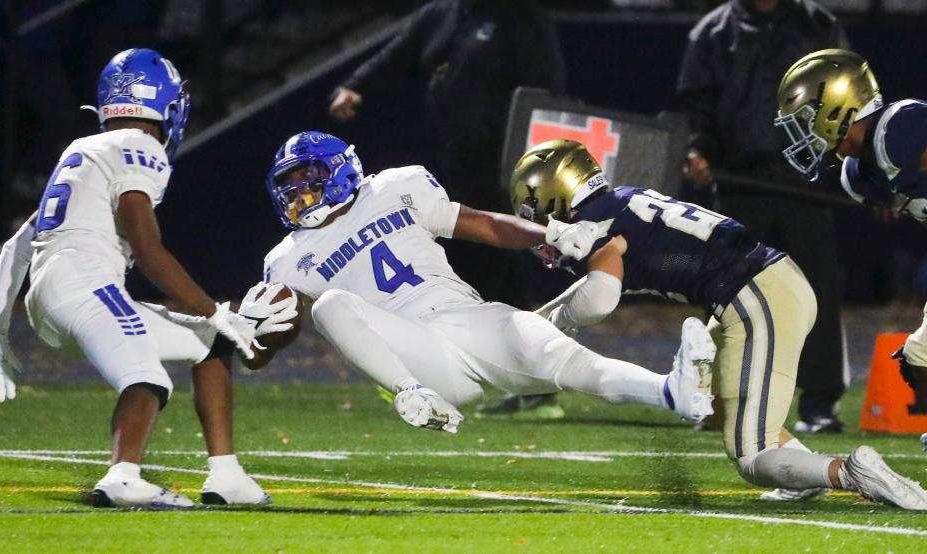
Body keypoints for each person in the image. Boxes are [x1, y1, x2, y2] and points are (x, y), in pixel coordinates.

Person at [509, 138, 927, 510]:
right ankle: (802, 476)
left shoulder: (595, 225)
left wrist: (551, 321)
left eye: (536, 212)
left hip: (754, 296)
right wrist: (537, 320)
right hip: (762, 285)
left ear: (556, 196)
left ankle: (852, 471)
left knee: (751, 456)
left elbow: (598, 300)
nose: (541, 227)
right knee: (708, 400)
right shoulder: (620, 202)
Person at [0, 48, 296, 508]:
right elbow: (147, 249)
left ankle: (227, 476)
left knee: (209, 341)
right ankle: (122, 477)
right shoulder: (139, 146)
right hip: (85, 284)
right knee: (148, 375)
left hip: (51, 295)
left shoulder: (82, 149)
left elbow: (15, 246)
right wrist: (217, 310)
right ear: (165, 104)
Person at [251, 130, 716, 435]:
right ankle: (410, 394)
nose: (298, 194)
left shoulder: (396, 186)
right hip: (415, 357)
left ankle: (672, 392)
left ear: (339, 169)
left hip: (466, 317)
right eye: (290, 185)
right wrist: (257, 334)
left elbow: (486, 225)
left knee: (568, 360)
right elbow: (264, 348)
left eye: (307, 179)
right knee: (331, 304)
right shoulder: (288, 258)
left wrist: (549, 232)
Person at [677, 0, 850, 433]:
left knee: (815, 294)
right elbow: (698, 106)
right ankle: (722, 399)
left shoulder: (819, 24)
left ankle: (819, 402)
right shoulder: (713, 31)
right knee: (729, 296)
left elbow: (851, 99)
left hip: (806, 182)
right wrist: (698, 151)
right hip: (739, 182)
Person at [328, 0, 564, 305]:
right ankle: (515, 324)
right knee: (482, 251)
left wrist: (532, 159)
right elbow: (399, 52)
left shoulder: (520, 15)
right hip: (447, 153)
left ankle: (471, 316)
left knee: (480, 241)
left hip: (496, 158)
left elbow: (547, 88)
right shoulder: (441, 13)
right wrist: (355, 85)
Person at [774, 48, 927, 414]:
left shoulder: (900, 128)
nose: (805, 129)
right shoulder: (860, 176)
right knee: (919, 357)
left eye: (807, 117)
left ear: (836, 107)